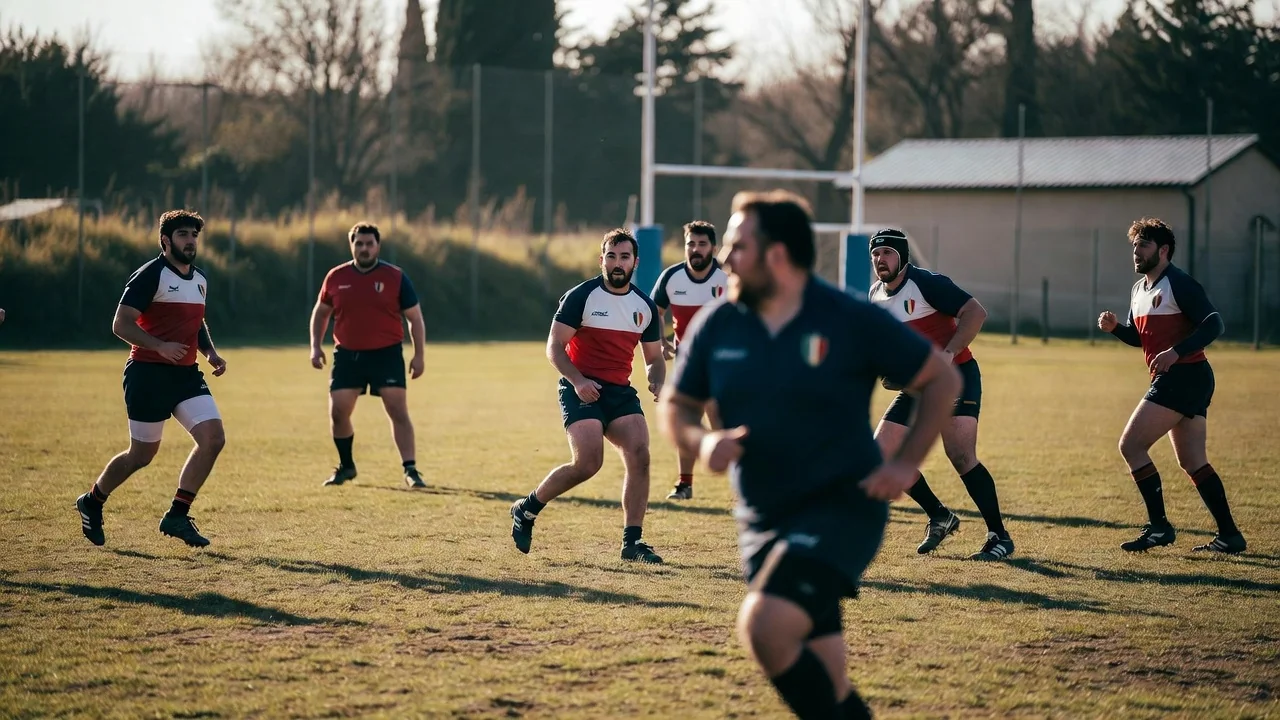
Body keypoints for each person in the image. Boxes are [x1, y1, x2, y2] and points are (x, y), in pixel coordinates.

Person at [659, 191, 961, 719]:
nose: (725, 259)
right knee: (830, 684)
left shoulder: (847, 317)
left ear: (776, 254)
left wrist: (904, 461)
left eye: (737, 246)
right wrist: (704, 442)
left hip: (841, 507)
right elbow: (678, 407)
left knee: (765, 626)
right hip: (761, 518)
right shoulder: (719, 323)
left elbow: (941, 379)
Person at [510, 228, 667, 563]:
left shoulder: (645, 307)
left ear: (635, 262)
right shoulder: (581, 296)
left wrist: (657, 378)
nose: (617, 263)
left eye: (624, 257)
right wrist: (578, 380)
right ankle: (527, 508)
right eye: (611, 256)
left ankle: (632, 543)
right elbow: (554, 347)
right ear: (602, 260)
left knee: (640, 453)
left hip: (619, 391)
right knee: (588, 463)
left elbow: (654, 358)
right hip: (579, 385)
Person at [75, 210, 227, 548]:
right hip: (146, 374)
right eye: (183, 235)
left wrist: (210, 353)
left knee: (213, 439)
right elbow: (121, 324)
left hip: (186, 375)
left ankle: (177, 515)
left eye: (194, 235)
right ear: (165, 240)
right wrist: (159, 346)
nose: (190, 241)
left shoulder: (200, 278)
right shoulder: (150, 275)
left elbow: (196, 323)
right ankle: (92, 500)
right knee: (141, 456)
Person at [1098, 217, 1245, 554]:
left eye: (1144, 245)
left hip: (1186, 376)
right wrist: (1116, 328)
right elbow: (1139, 337)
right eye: (1134, 245)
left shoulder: (1179, 283)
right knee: (1193, 460)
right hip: (1184, 378)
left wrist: (1176, 352)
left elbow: (1214, 324)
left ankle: (1160, 528)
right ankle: (1230, 536)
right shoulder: (1138, 290)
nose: (1136, 252)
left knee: (1131, 446)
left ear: (1163, 250)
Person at [866, 228, 1014, 560]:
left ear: (902, 256)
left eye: (887, 253)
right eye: (875, 254)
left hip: (956, 376)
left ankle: (999, 537)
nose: (880, 260)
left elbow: (976, 313)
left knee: (961, 455)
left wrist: (946, 356)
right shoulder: (874, 294)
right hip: (919, 385)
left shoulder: (927, 283)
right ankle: (940, 516)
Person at [310, 223, 427, 489]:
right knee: (338, 411)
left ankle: (411, 470)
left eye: (369, 244)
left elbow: (415, 318)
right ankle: (346, 466)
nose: (364, 248)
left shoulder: (395, 277)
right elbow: (321, 312)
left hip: (387, 354)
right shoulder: (336, 277)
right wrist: (315, 346)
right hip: (348, 355)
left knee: (397, 410)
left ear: (378, 246)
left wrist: (419, 355)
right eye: (359, 244)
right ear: (352, 245)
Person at [651, 220, 728, 500]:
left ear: (714, 248)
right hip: (687, 362)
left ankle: (746, 485)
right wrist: (661, 340)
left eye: (702, 244)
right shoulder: (671, 277)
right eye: (690, 244)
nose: (695, 249)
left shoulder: (728, 277)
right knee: (685, 420)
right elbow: (653, 312)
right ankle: (684, 484)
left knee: (721, 422)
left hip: (723, 364)